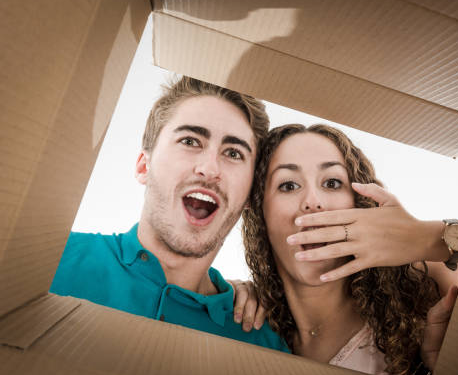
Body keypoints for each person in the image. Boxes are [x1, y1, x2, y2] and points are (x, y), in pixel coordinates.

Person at [50, 76, 288, 352]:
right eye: (190, 141)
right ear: (143, 167)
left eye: (233, 153)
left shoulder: (264, 341)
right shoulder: (45, 259)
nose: (209, 169)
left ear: (250, 194)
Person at [242, 124, 458, 375]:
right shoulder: (251, 321)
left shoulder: (427, 281)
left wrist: (425, 237)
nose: (313, 201)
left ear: (358, 202)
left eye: (332, 183)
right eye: (288, 185)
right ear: (257, 210)